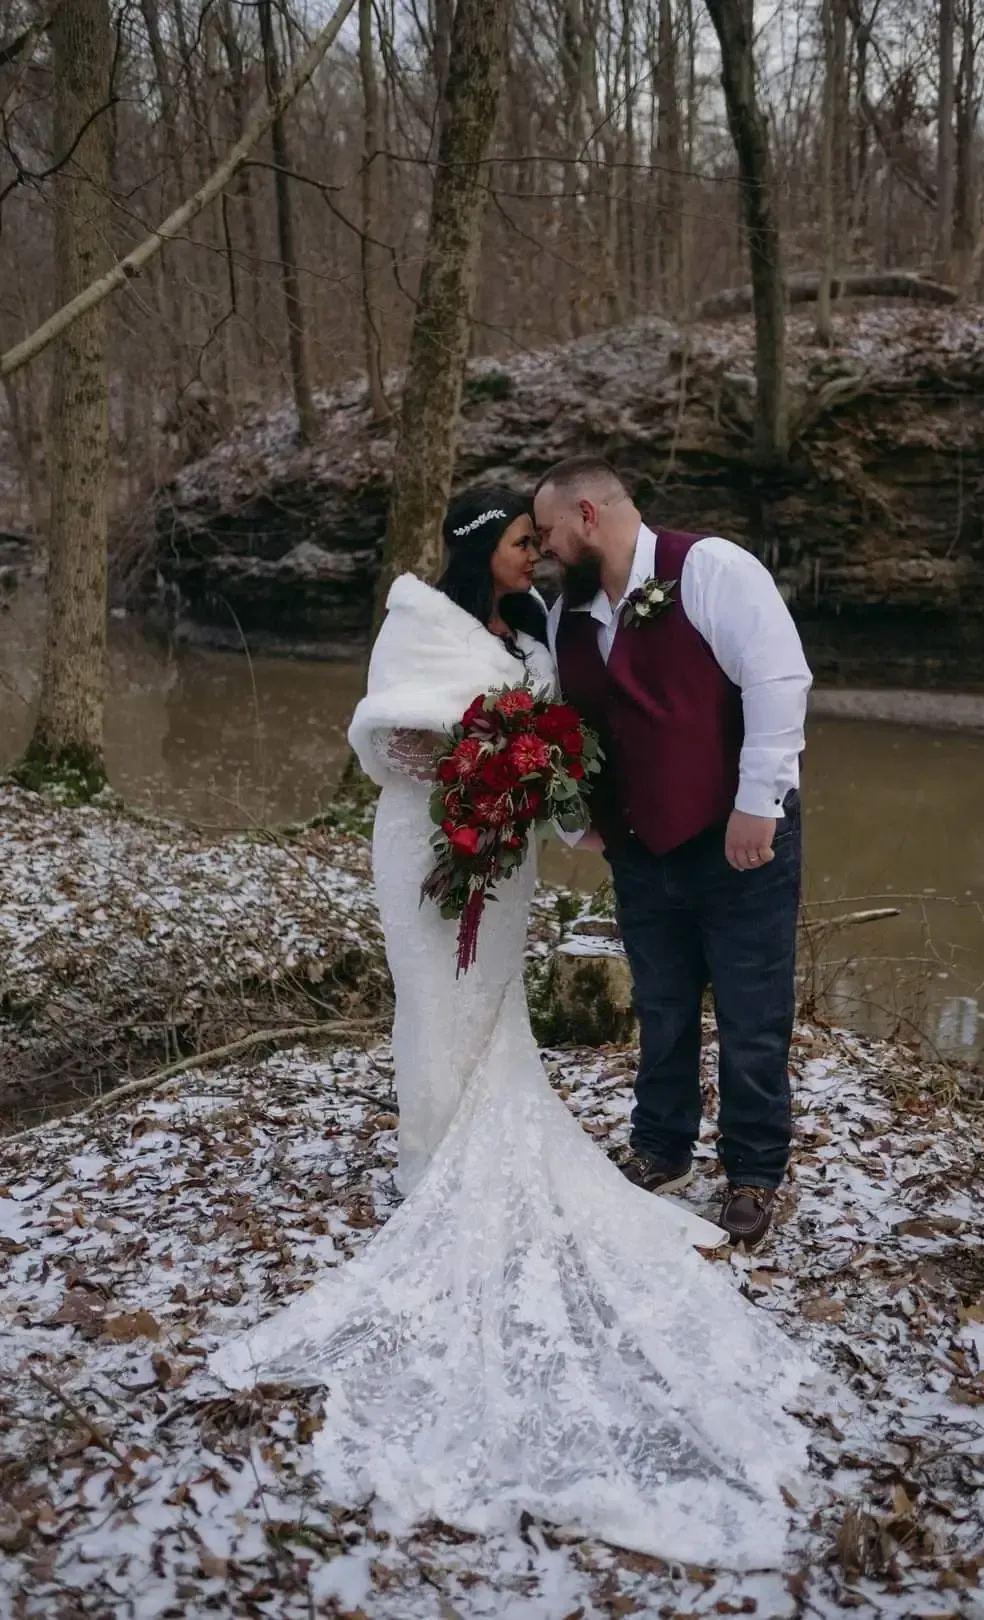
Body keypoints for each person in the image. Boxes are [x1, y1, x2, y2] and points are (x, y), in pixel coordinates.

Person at [210, 487, 811, 1566]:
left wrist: (550, 789)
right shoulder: (423, 618)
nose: (538, 558)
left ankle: (733, 1163)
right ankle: (438, 1153)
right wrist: (479, 763)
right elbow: (390, 734)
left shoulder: (555, 623)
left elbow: (595, 728)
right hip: (433, 846)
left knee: (520, 1003)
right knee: (444, 993)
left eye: (544, 540)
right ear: (486, 548)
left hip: (515, 854)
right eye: (525, 544)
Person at [534, 457, 811, 1250]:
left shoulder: (713, 569)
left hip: (739, 843)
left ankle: (754, 1172)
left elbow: (779, 683)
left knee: (753, 1019)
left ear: (588, 516)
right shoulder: (568, 613)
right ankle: (661, 1149)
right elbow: (573, 724)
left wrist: (758, 805)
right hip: (641, 849)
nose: (546, 549)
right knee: (660, 1009)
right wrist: (576, 818)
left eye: (549, 531)